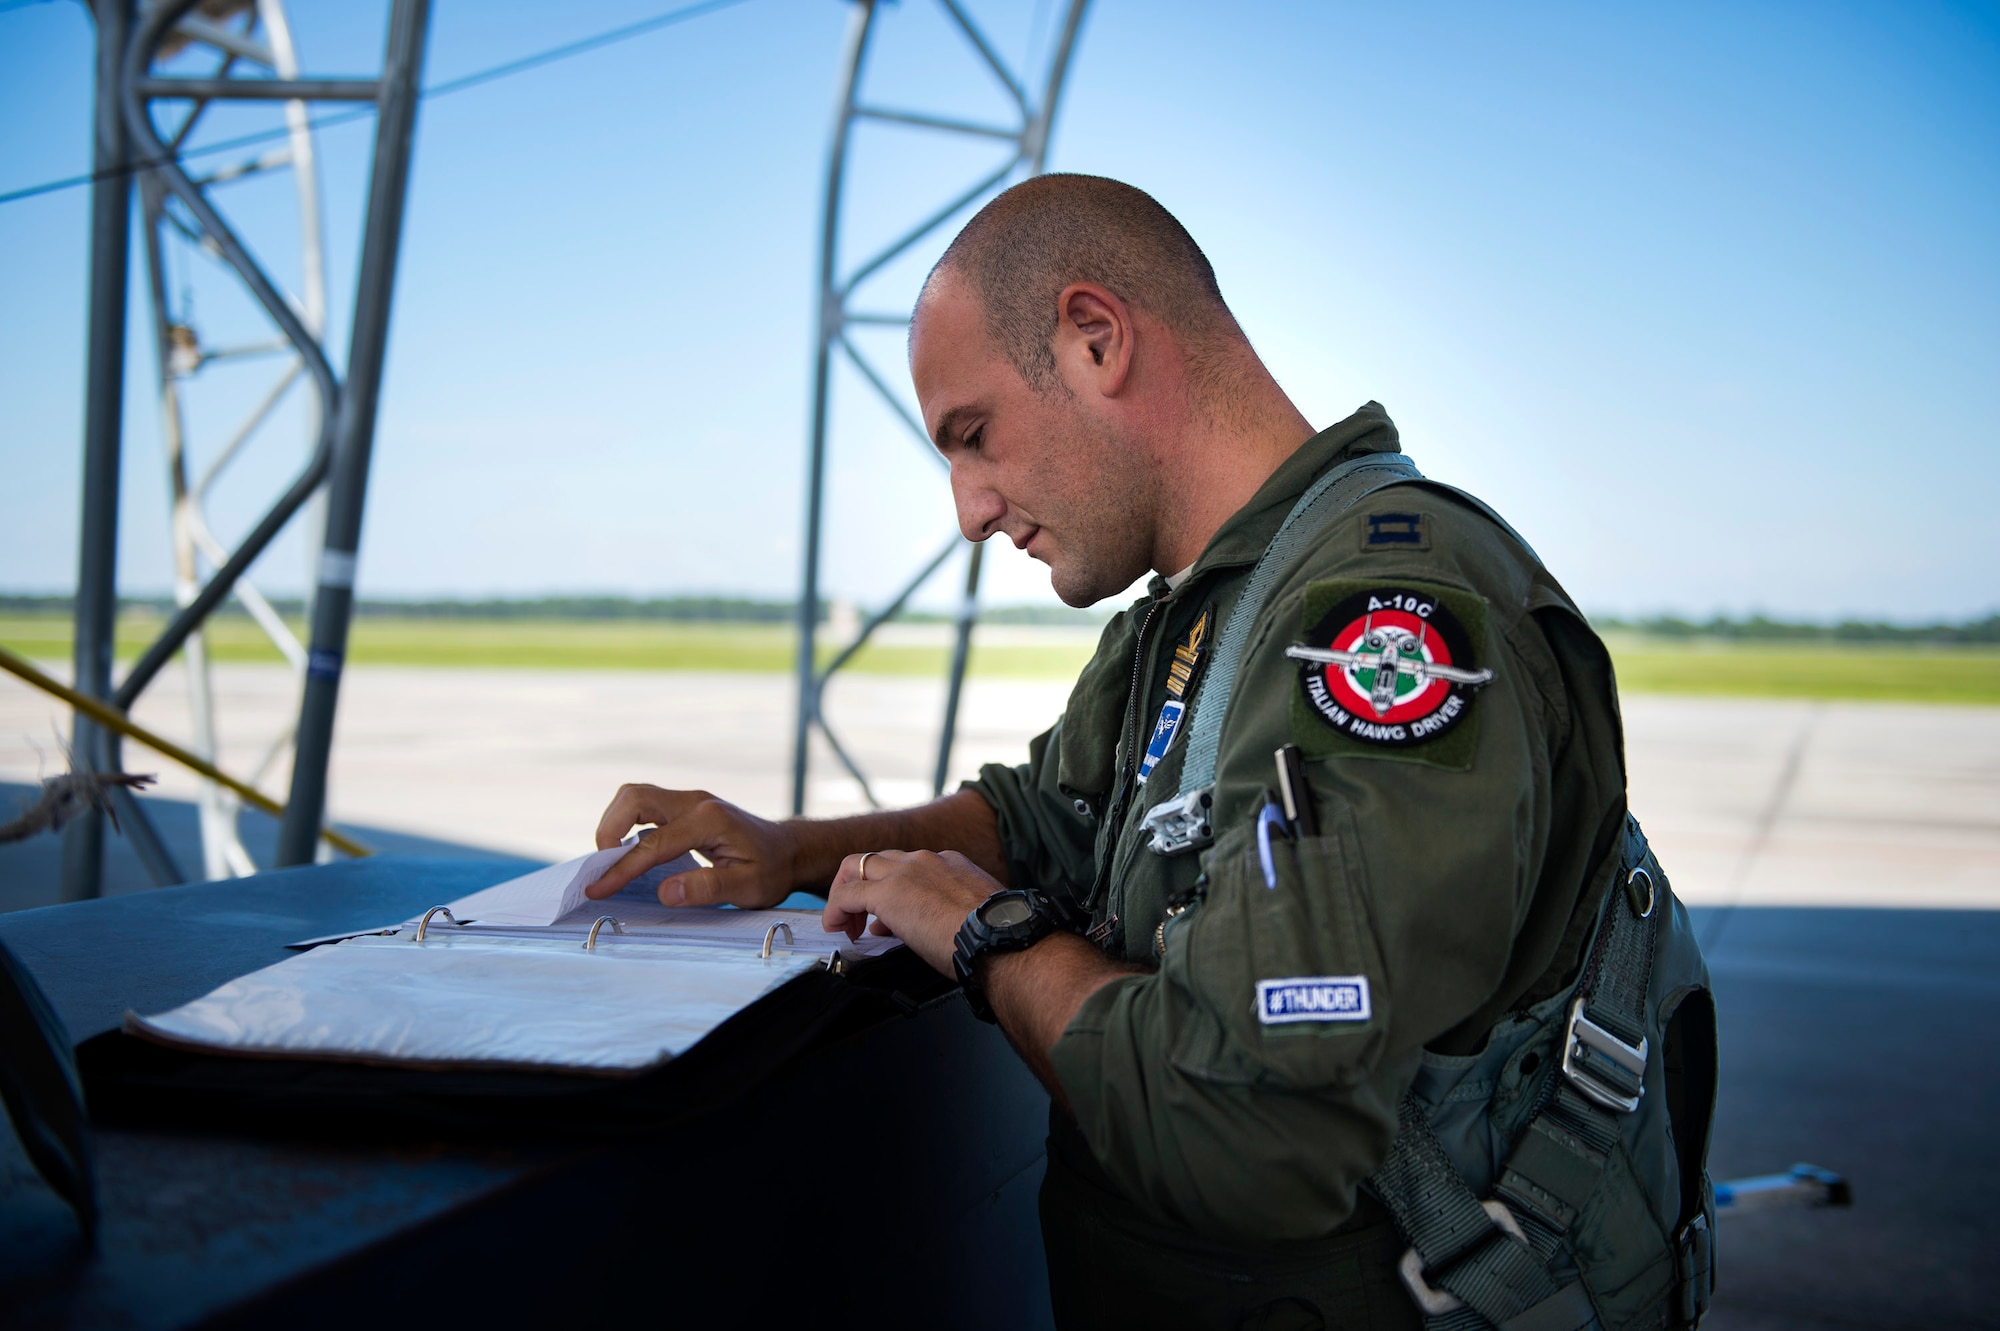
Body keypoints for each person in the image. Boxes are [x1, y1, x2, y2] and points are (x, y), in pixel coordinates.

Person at [588, 175, 1715, 1330]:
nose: (968, 510)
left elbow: (1244, 1126)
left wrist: (988, 936)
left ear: (1093, 338)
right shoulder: (1197, 612)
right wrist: (796, 852)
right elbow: (1037, 819)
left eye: (972, 436)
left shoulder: (1380, 616)